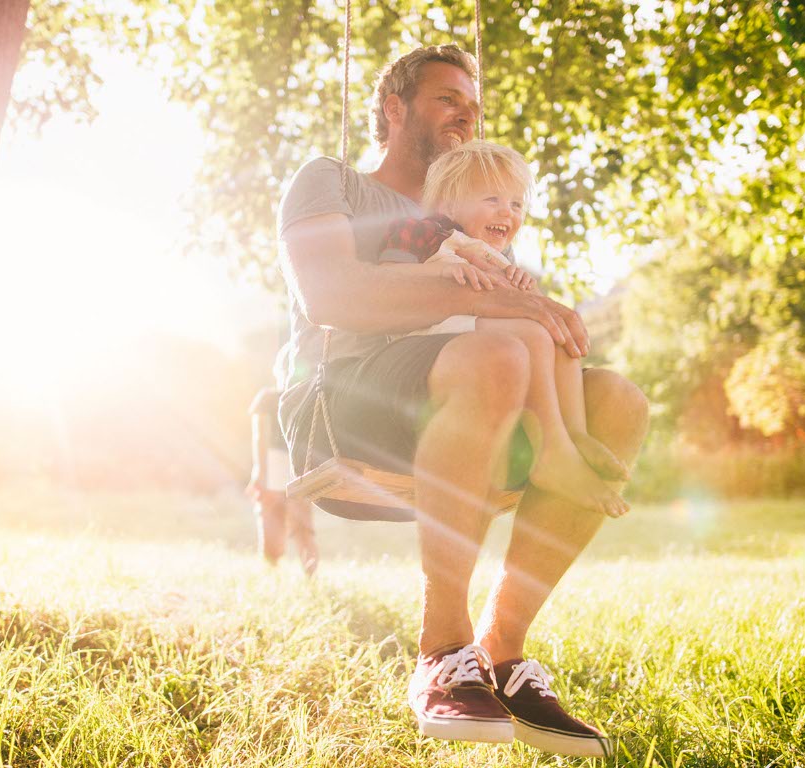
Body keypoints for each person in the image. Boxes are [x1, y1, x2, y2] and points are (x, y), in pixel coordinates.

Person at [276, 45, 649, 757]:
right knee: (499, 350)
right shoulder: (334, 182)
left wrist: (534, 310)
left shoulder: (471, 211)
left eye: (471, 103)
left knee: (621, 402)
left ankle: (502, 654)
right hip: (350, 399)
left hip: (472, 389)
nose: (465, 112)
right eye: (448, 97)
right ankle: (442, 649)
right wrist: (507, 304)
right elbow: (330, 294)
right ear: (394, 108)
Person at [377, 139, 630, 515]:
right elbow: (388, 280)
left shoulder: (492, 255)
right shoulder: (423, 232)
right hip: (429, 334)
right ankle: (551, 453)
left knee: (553, 330)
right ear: (448, 204)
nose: (507, 212)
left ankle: (573, 434)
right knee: (530, 333)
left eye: (515, 204)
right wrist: (443, 272)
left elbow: (509, 305)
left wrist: (521, 286)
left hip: (473, 329)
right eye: (492, 199)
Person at [247, 386, 319, 577]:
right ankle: (311, 578)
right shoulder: (308, 392)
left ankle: (272, 575)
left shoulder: (267, 397)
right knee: (303, 529)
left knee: (271, 522)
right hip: (300, 463)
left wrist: (259, 472)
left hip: (275, 462)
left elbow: (259, 437)